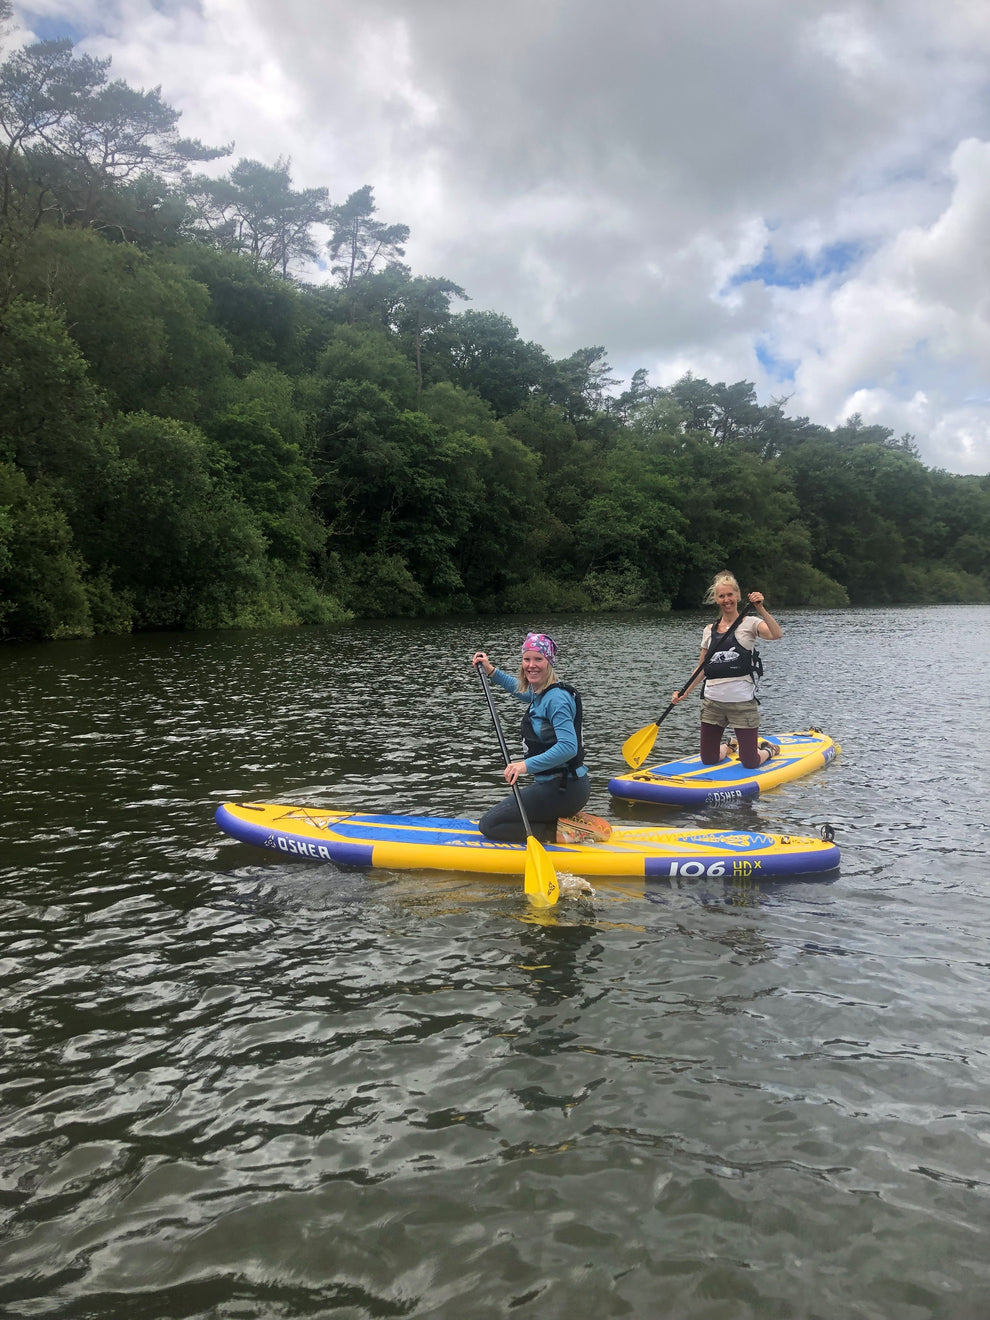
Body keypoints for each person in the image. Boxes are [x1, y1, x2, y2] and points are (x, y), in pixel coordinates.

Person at [471, 632, 611, 845]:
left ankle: (561, 831)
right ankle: (562, 821)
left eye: (538, 659)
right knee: (498, 820)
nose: (531, 665)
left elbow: (568, 747)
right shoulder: (542, 691)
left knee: (490, 825)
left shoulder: (557, 699)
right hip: (560, 786)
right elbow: (522, 692)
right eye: (527, 659)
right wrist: (491, 671)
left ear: (549, 662)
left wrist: (523, 766)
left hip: (565, 789)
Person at [670, 572, 783, 769]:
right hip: (713, 702)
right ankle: (730, 746)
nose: (726, 600)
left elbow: (776, 634)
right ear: (716, 599)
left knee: (750, 762)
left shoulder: (751, 624)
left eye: (730, 595)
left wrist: (760, 608)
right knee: (709, 759)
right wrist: (684, 692)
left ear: (738, 596)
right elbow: (701, 668)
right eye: (721, 596)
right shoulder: (709, 630)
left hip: (741, 702)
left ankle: (769, 750)